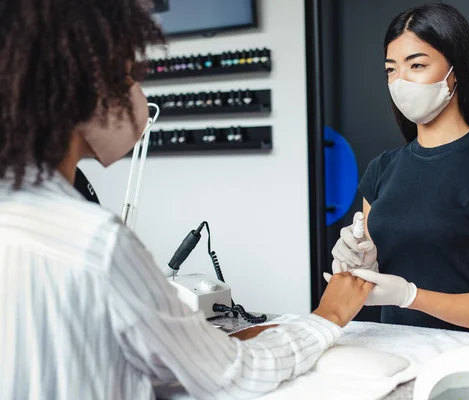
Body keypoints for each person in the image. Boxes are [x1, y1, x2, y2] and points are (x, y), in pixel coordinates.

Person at [0, 1, 373, 399]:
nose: (134, 92)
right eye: (127, 73)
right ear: (85, 83)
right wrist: (328, 315)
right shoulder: (96, 242)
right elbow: (234, 375)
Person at [329, 3, 469, 332]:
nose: (400, 81)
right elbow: (376, 276)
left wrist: (410, 295)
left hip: (466, 357)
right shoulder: (382, 169)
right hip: (396, 351)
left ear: (457, 70)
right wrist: (361, 265)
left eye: (417, 65)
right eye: (391, 70)